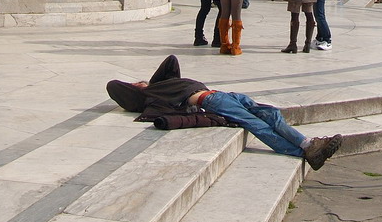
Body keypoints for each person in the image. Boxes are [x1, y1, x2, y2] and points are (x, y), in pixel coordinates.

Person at [107, 55, 342, 170]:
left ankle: (307, 144)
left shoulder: (161, 84)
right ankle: (305, 150)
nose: (138, 81)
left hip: (223, 94)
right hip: (212, 100)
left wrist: (150, 82)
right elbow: (114, 86)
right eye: (135, 83)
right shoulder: (153, 98)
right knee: (256, 124)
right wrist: (140, 90)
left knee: (270, 114)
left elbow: (171, 61)